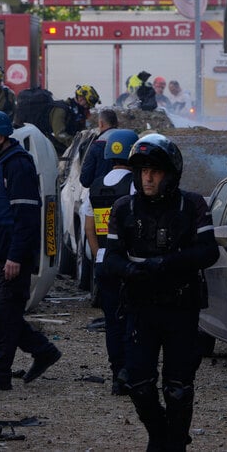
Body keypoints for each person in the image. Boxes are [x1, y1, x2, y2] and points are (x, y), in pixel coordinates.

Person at [104, 134, 218, 451]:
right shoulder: (123, 208)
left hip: (181, 307)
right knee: (138, 383)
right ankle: (159, 433)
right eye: (143, 171)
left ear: (170, 173)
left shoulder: (192, 205)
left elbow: (209, 252)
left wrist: (167, 263)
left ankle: (176, 442)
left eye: (155, 170)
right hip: (141, 307)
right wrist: (129, 270)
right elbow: (110, 257)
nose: (148, 177)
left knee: (178, 387)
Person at [0, 111, 62, 392]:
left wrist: (16, 257)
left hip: (11, 257)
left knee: (6, 314)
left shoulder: (18, 165)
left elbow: (26, 216)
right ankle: (43, 350)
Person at [82, 129, 139, 395]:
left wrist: (99, 255)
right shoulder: (136, 185)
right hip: (129, 264)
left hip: (104, 263)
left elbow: (89, 228)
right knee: (133, 320)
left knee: (112, 323)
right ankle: (132, 373)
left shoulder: (94, 186)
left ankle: (118, 375)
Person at [50, 84, 99, 152]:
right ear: (81, 98)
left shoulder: (79, 112)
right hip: (55, 149)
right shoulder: (61, 110)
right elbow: (59, 134)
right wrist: (76, 144)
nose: (87, 107)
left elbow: (82, 129)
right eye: (87, 104)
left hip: (69, 149)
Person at [80, 108, 119, 188]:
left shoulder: (96, 146)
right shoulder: (129, 142)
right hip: (126, 194)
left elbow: (85, 180)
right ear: (117, 123)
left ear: (101, 123)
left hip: (102, 195)